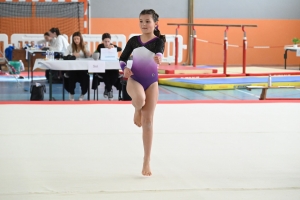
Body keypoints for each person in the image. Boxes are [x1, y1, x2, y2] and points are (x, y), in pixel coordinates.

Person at [119, 9, 165, 176]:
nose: (144, 24)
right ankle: (137, 109)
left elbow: (160, 52)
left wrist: (159, 58)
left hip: (151, 82)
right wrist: (124, 69)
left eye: (147, 21)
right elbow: (122, 58)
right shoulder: (133, 41)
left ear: (155, 24)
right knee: (139, 99)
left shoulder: (158, 41)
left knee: (148, 122)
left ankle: (146, 160)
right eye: (141, 21)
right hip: (135, 79)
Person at [64, 31, 91, 101]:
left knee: (85, 78)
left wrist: (88, 54)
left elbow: (88, 56)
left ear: (80, 39)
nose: (76, 40)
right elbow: (65, 55)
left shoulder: (85, 46)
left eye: (77, 39)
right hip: (73, 68)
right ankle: (71, 94)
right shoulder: (70, 46)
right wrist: (73, 55)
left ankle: (82, 94)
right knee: (71, 77)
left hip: (82, 68)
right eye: (74, 39)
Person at [95, 33, 122, 100]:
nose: (107, 43)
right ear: (102, 41)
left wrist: (114, 47)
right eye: (105, 41)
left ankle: (107, 88)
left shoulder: (112, 45)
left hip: (112, 68)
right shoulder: (100, 46)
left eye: (108, 41)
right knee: (106, 75)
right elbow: (95, 53)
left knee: (115, 76)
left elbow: (120, 48)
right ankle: (110, 90)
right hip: (103, 68)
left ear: (110, 41)